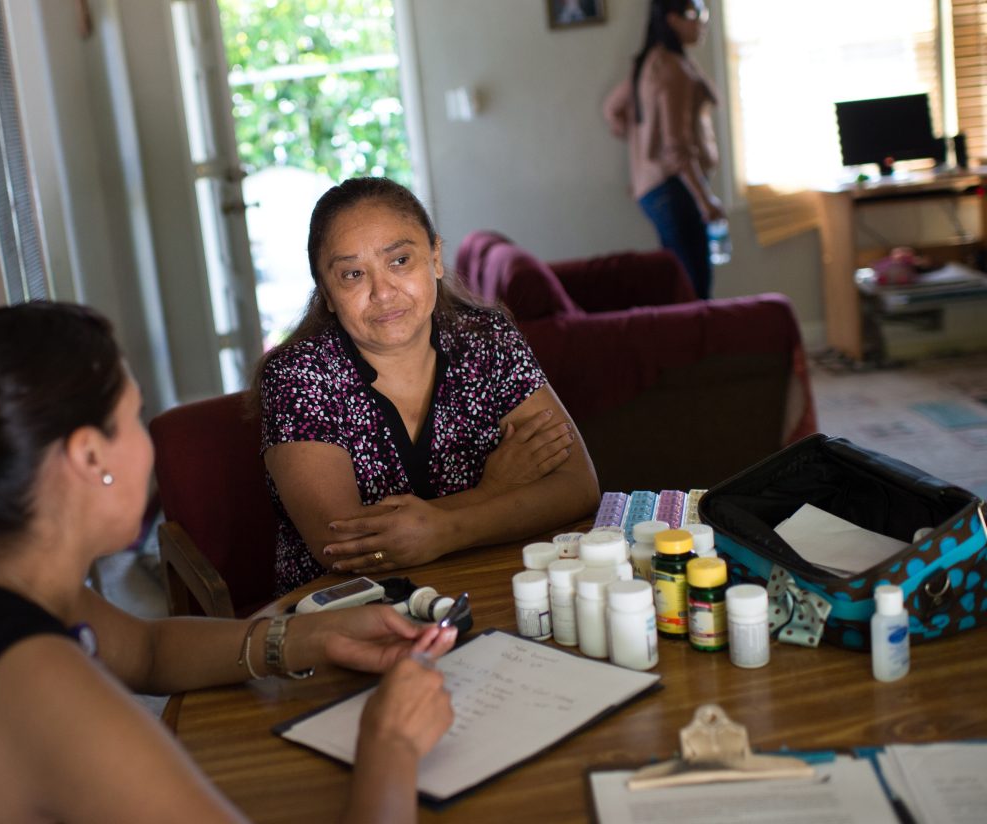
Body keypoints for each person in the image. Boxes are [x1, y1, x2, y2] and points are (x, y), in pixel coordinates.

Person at [0, 302, 457, 822]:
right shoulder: (39, 686)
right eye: (137, 418)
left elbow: (141, 649)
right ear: (89, 457)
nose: (150, 446)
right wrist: (392, 743)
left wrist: (307, 636)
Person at [257, 177, 600, 596]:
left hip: (489, 587)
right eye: (352, 274)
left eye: (400, 261)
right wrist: (492, 492)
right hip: (347, 617)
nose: (383, 292)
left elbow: (578, 486)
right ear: (327, 292)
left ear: (435, 258)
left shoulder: (488, 338)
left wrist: (447, 529)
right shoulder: (298, 375)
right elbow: (345, 548)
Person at [602, 0, 722, 299]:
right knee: (696, 290)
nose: (703, 22)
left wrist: (641, 144)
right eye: (696, 14)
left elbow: (612, 110)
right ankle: (697, 346)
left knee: (682, 285)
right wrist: (705, 200)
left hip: (655, 191)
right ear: (672, 19)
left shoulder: (648, 62)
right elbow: (677, 148)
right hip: (674, 189)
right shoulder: (672, 68)